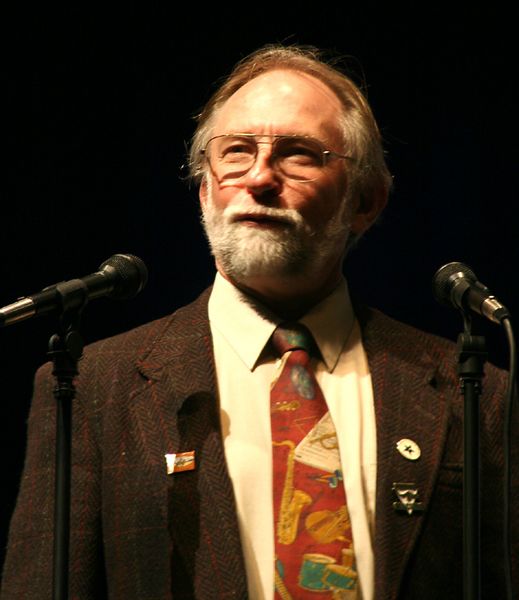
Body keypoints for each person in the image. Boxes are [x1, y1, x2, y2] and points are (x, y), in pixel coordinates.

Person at [1, 44, 517, 600]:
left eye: (298, 154)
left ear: (366, 200)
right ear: (204, 191)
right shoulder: (93, 386)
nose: (260, 176)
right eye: (237, 152)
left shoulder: (476, 393)